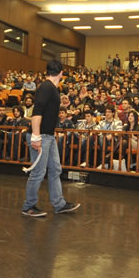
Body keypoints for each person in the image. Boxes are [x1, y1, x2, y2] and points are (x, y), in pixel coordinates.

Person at [21, 60, 81, 218]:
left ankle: (59, 204)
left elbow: (46, 110)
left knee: (55, 170)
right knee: (38, 173)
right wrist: (36, 136)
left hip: (48, 136)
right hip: (41, 136)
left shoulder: (52, 88)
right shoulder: (47, 87)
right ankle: (28, 206)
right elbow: (37, 112)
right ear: (61, 73)